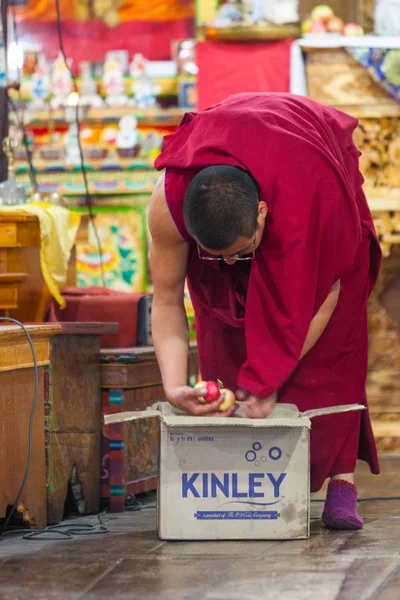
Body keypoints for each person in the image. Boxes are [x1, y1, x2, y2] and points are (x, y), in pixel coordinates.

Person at [148, 92, 382, 530]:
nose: (234, 264)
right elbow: (165, 300)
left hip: (309, 174)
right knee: (226, 340)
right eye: (221, 256)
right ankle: (245, 476)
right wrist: (175, 384)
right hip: (250, 172)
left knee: (331, 353)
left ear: (261, 214)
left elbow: (324, 295)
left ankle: (342, 483)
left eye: (242, 251)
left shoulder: (310, 200)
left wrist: (270, 376)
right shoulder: (169, 205)